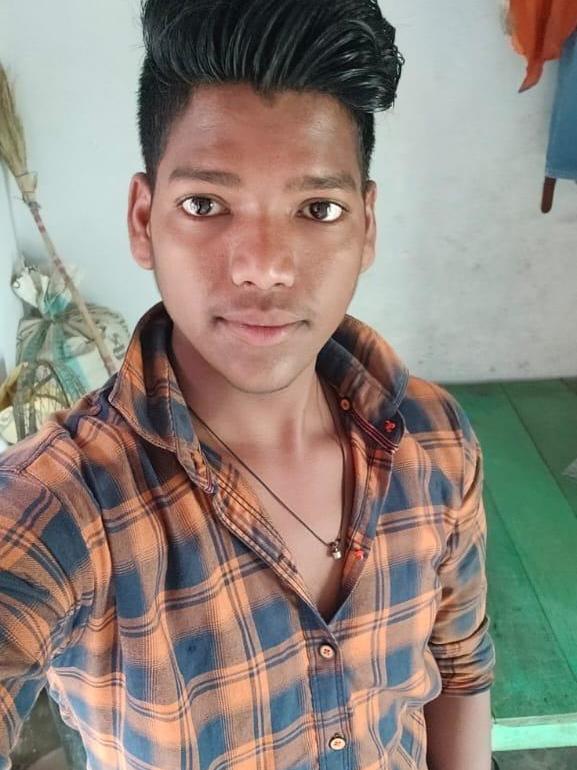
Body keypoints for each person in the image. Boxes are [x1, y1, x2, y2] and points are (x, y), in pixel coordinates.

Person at [0, 1, 495, 768]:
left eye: (317, 208)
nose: (264, 265)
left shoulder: (434, 436)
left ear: (366, 225)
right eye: (206, 204)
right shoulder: (61, 510)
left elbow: (459, 673)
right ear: (143, 218)